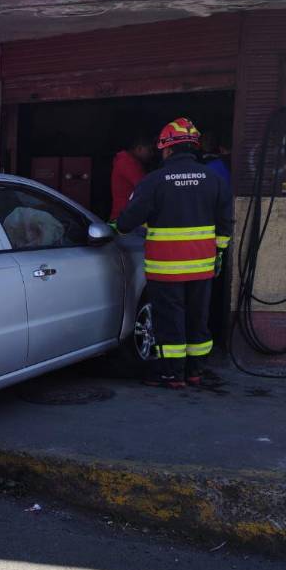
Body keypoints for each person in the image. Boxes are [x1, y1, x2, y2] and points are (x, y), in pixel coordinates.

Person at [115, 118, 233, 389]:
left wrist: (117, 227)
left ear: (166, 150)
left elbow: (126, 222)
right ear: (193, 147)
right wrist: (220, 253)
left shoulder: (154, 181)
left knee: (170, 320)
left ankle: (170, 373)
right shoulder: (214, 179)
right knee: (197, 318)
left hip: (165, 267)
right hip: (202, 267)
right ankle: (195, 372)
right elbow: (225, 224)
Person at [110, 134, 154, 220]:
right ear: (139, 149)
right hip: (124, 218)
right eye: (149, 150)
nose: (152, 154)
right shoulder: (128, 162)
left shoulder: (131, 162)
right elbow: (145, 188)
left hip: (127, 216)